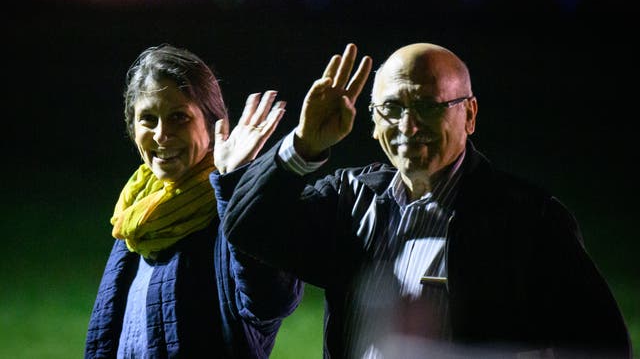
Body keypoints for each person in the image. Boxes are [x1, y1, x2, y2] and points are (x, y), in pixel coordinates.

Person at [213, 43, 632, 358]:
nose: (408, 127)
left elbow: (601, 346)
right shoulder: (351, 201)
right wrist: (302, 147)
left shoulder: (528, 219)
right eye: (392, 108)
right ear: (373, 121)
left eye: (428, 106)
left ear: (469, 114)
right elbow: (249, 226)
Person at [85, 43, 303, 358]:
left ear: (213, 125)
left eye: (178, 117)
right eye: (148, 119)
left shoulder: (234, 204)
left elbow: (273, 300)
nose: (161, 134)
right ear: (132, 129)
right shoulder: (138, 215)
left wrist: (236, 185)